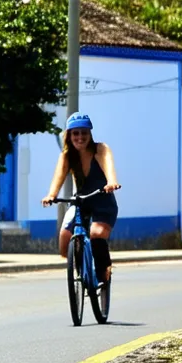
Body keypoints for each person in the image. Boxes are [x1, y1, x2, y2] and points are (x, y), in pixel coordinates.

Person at [40, 112, 121, 283]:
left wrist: (112, 182)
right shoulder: (67, 156)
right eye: (75, 133)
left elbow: (108, 166)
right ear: (69, 135)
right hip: (81, 201)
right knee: (64, 240)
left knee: (96, 233)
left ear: (90, 134)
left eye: (84, 132)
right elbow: (58, 177)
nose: (80, 137)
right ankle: (82, 270)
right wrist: (51, 195)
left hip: (102, 199)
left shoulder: (100, 149)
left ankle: (103, 271)